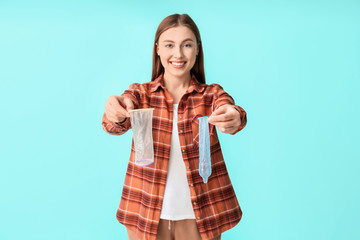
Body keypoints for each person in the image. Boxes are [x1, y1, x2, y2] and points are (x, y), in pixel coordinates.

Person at [101, 13, 247, 240]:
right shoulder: (140, 94)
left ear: (197, 49)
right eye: (170, 45)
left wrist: (234, 116)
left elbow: (230, 108)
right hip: (146, 214)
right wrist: (115, 112)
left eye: (186, 45)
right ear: (157, 48)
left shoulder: (210, 95)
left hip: (200, 217)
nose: (178, 54)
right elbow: (112, 124)